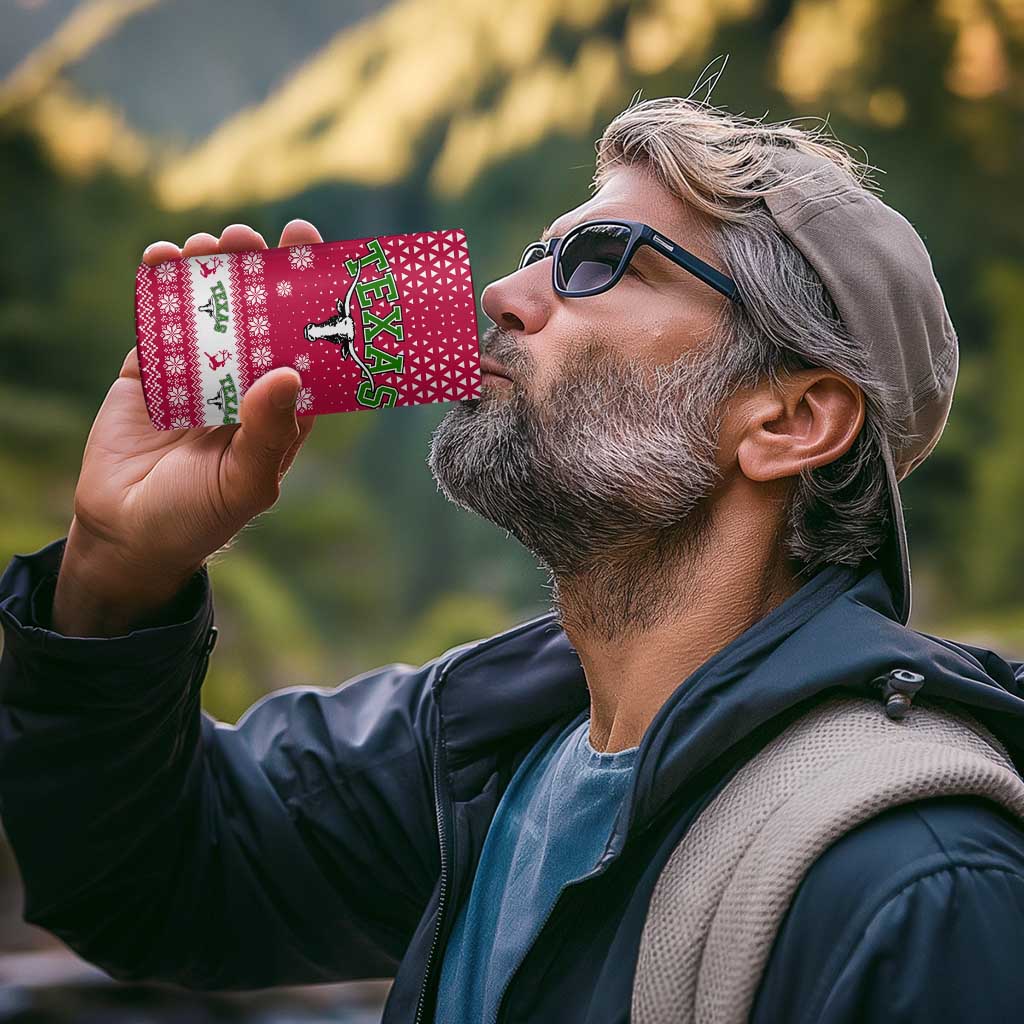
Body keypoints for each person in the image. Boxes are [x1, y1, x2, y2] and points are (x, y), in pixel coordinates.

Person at [2, 92, 1024, 1024]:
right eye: (540, 253)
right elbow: (148, 880)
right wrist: (115, 570)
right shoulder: (479, 750)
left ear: (791, 419)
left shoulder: (918, 884)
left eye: (599, 261)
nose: (502, 293)